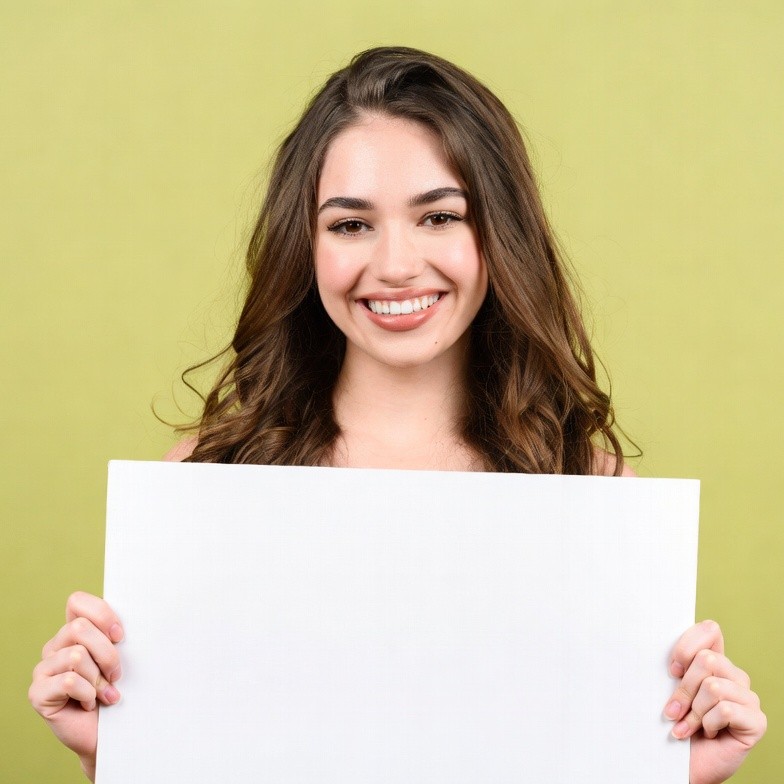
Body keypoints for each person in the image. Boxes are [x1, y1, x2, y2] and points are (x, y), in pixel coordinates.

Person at [29, 46, 765, 782]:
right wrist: (112, 748)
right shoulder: (210, 480)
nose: (396, 264)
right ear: (306, 245)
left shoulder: (595, 493)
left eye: (439, 216)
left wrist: (687, 770)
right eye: (351, 225)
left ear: (497, 234)